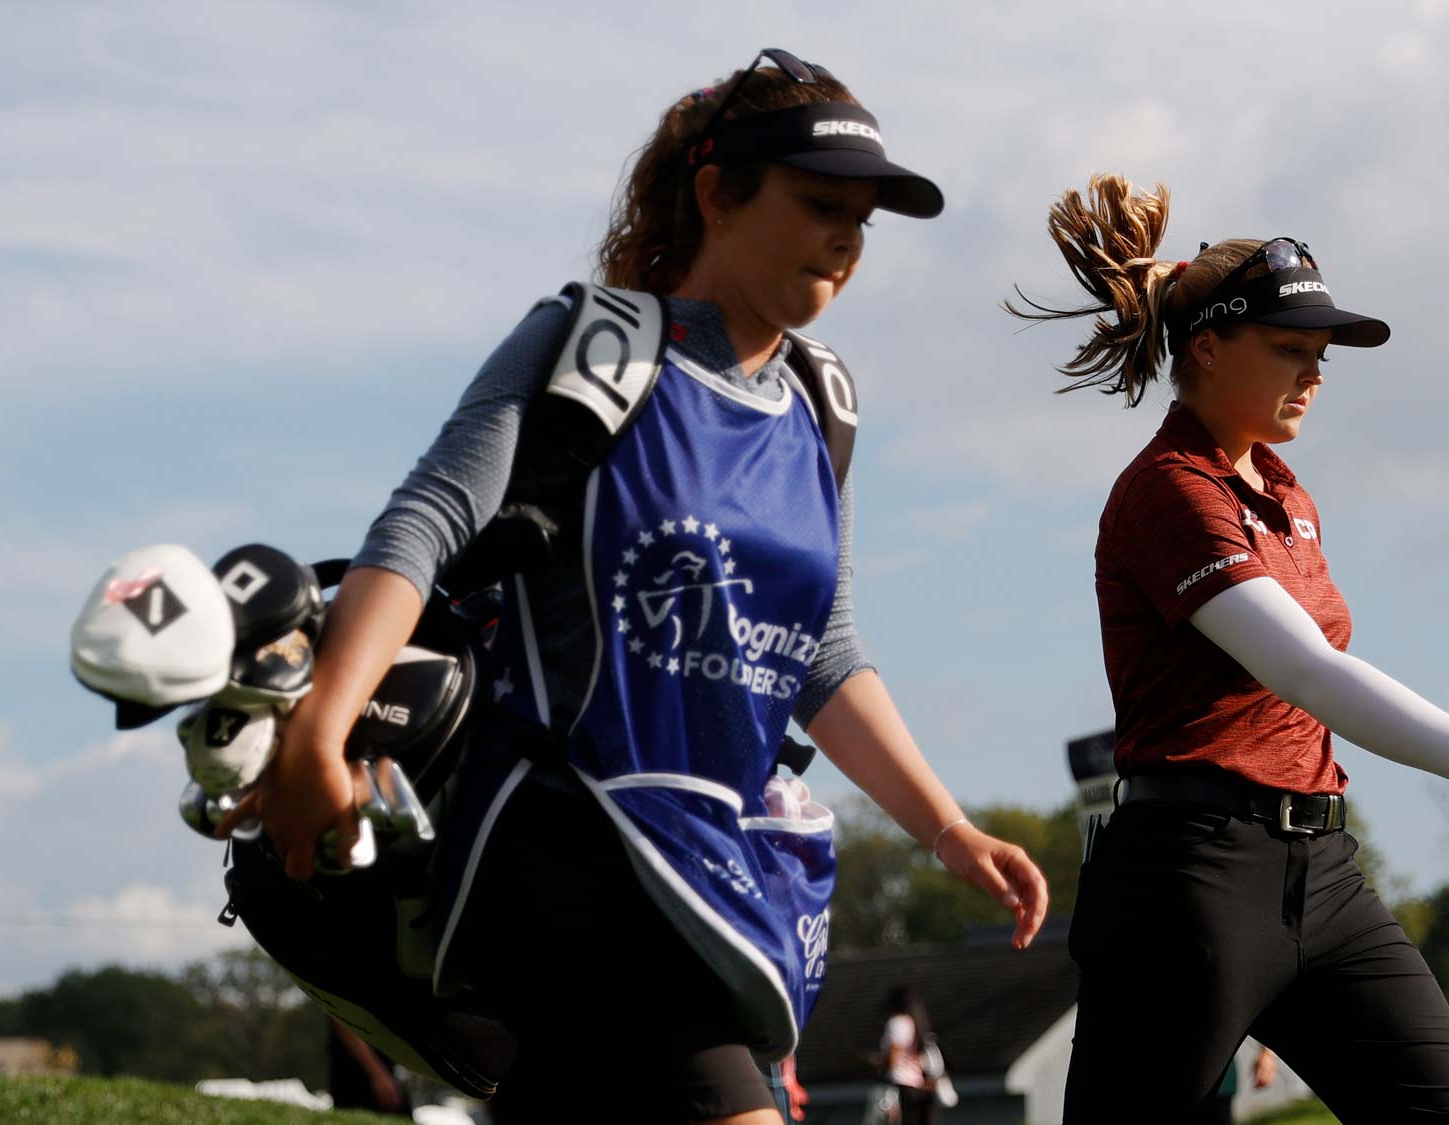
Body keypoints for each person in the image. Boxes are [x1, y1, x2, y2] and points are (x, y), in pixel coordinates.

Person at [222, 49, 1048, 1125]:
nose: (846, 238)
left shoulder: (821, 404)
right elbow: (423, 524)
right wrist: (319, 733)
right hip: (567, 847)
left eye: (862, 218)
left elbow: (822, 651)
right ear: (716, 193)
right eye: (817, 204)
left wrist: (948, 831)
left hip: (720, 865)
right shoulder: (591, 346)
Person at [1010, 175, 1449, 1123]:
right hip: (1191, 884)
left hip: (1325, 876)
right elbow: (1307, 670)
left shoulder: (1289, 496)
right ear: (1207, 350)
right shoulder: (1171, 490)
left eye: (1323, 353)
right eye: (1291, 348)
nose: (1317, 372)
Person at [877, 986, 940, 1125]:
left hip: (900, 1085)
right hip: (917, 1085)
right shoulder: (917, 1023)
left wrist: (881, 1065)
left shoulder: (897, 1023)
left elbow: (894, 1054)